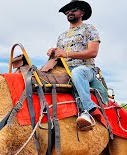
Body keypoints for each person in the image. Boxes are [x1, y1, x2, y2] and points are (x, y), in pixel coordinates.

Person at [47, 0, 100, 131]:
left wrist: (67, 53)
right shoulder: (61, 36)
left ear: (82, 12)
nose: (69, 12)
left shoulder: (89, 29)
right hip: (64, 70)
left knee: (77, 73)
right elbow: (60, 57)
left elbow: (93, 52)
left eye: (73, 10)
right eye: (67, 11)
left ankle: (87, 110)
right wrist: (53, 54)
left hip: (86, 69)